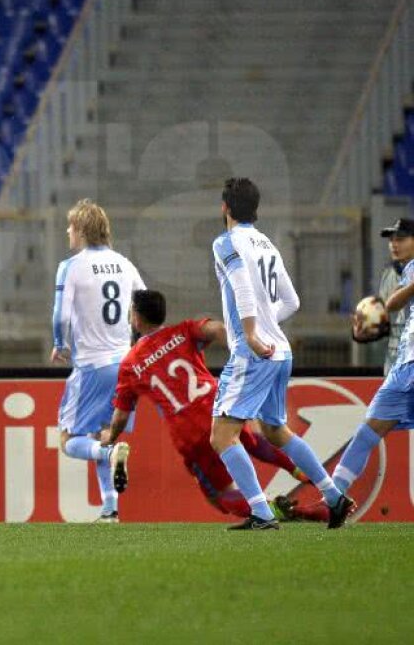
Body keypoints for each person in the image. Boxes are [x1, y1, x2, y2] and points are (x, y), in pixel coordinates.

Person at [104, 290, 326, 522]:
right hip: (216, 405)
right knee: (252, 442)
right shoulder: (183, 331)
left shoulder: (130, 364)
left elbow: (121, 416)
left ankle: (272, 509)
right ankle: (308, 475)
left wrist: (111, 436)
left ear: (137, 319)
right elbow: (219, 329)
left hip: (189, 433)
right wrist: (244, 355)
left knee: (219, 496)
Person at [209, 178, 353, 530]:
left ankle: (260, 512)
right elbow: (293, 302)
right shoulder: (268, 245)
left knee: (221, 436)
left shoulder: (225, 242)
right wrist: (267, 326)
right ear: (254, 208)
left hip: (253, 352)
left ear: (225, 208)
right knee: (275, 430)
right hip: (280, 352)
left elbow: (242, 286)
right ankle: (334, 497)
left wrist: (251, 333)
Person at [50, 198, 142, 522]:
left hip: (92, 366)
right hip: (125, 365)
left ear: (82, 230)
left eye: (71, 226)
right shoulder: (125, 264)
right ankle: (110, 508)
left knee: (68, 439)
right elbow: (143, 308)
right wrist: (139, 349)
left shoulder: (71, 266)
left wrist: (60, 344)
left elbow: (60, 316)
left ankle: (107, 454)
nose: (67, 231)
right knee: (106, 432)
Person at [330, 250, 414, 507]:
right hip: (407, 364)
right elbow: (392, 305)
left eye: (401, 238)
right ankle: (333, 498)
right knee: (368, 431)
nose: (393, 245)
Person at [351, 218, 414, 373]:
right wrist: (365, 329)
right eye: (391, 240)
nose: (394, 244)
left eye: (400, 239)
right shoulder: (388, 274)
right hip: (394, 366)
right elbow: (387, 323)